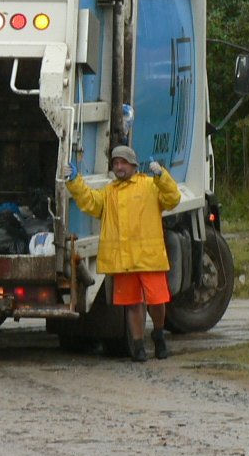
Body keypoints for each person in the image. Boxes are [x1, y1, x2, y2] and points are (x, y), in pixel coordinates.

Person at [66, 145, 180, 362]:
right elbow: (90, 202)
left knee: (157, 302)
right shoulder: (110, 192)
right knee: (133, 304)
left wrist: (162, 176)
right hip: (125, 261)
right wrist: (75, 182)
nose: (118, 167)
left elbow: (173, 198)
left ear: (134, 165)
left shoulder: (150, 185)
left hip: (149, 259)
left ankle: (158, 334)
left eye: (123, 163)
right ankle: (138, 346)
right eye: (115, 163)